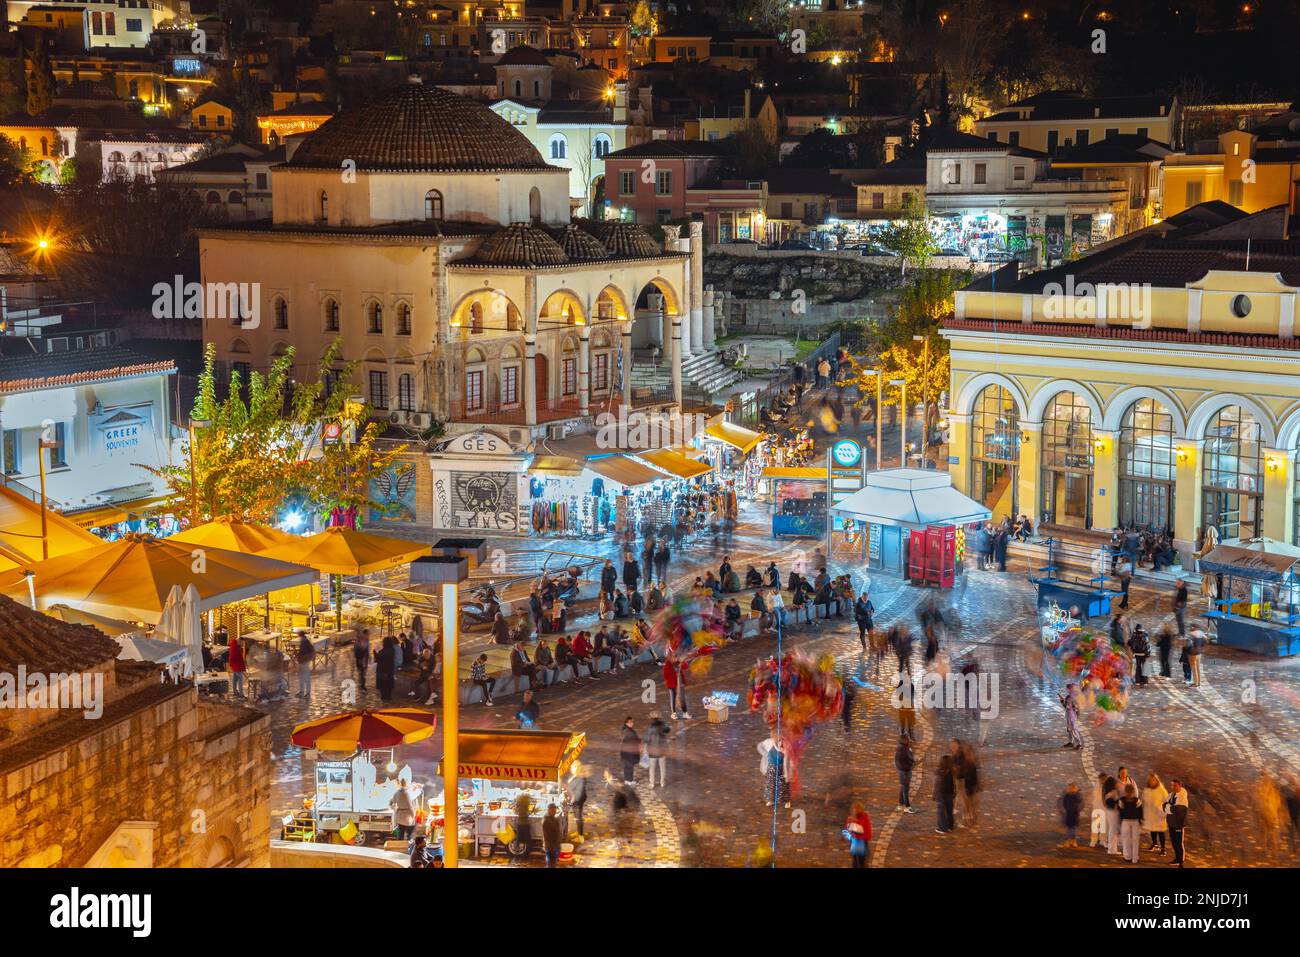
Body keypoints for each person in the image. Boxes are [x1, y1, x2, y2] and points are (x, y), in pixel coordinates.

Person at [759, 737, 792, 808]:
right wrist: (766, 754)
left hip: (782, 769)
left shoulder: (786, 745)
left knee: (783, 785)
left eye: (780, 740)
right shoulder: (769, 742)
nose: (778, 742)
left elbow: (788, 760)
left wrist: (785, 752)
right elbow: (759, 746)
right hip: (771, 768)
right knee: (771, 785)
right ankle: (772, 800)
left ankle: (787, 801)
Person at [1142, 773, 1170, 855]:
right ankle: (1155, 844)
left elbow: (1167, 801)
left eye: (1154, 780)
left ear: (1157, 780)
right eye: (1150, 780)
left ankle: (1163, 848)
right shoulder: (1147, 789)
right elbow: (1144, 799)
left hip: (1159, 814)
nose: (1152, 781)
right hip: (1150, 813)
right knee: (1152, 829)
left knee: (1160, 831)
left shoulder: (1162, 790)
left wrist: (1161, 809)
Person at [1165, 778, 1190, 866]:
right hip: (1171, 822)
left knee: (1179, 842)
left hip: (1178, 824)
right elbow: (1163, 805)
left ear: (1180, 785)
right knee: (1174, 842)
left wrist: (1169, 807)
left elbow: (1177, 809)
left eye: (1175, 785)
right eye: (1172, 785)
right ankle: (1177, 858)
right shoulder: (1171, 795)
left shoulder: (1182, 796)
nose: (1173, 787)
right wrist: (1169, 807)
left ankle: (1181, 861)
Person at [645, 711, 671, 788]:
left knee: (652, 768)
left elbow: (646, 739)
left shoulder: (650, 727)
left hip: (652, 751)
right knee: (662, 768)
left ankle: (652, 783)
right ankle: (662, 782)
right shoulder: (663, 725)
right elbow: (668, 730)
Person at [1119, 782, 1143, 863]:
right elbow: (1140, 812)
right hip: (1135, 821)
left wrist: (1120, 821)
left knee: (1126, 840)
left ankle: (1127, 856)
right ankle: (1134, 858)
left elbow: (1120, 812)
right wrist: (1141, 822)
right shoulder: (1137, 800)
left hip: (1125, 821)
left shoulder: (1122, 800)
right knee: (1135, 840)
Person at [845, 804, 872, 868]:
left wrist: (853, 821)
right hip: (855, 840)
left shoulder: (863, 816)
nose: (854, 811)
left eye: (855, 809)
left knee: (861, 859)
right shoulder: (853, 817)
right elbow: (847, 828)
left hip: (862, 840)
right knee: (855, 859)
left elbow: (860, 828)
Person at [934, 754, 956, 833]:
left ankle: (942, 828)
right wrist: (954, 793)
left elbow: (937, 785)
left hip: (941, 793)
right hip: (949, 793)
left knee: (941, 811)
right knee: (949, 810)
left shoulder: (940, 773)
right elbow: (954, 783)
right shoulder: (951, 772)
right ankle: (950, 826)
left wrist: (934, 795)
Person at [1103, 771, 1122, 855]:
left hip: (1111, 812)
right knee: (1113, 830)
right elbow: (1112, 803)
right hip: (1113, 812)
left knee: (1113, 830)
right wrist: (1117, 804)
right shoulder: (1112, 792)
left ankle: (1113, 849)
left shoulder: (1108, 791)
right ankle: (1111, 850)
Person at [895, 734, 915, 812]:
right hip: (904, 772)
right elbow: (901, 762)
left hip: (904, 771)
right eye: (907, 739)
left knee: (903, 787)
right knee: (905, 789)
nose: (908, 740)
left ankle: (901, 804)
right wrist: (909, 766)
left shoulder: (904, 748)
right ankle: (907, 806)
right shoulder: (902, 749)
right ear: (903, 740)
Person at [1060, 683, 1084, 749]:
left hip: (1072, 715)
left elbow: (1074, 708)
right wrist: (1063, 701)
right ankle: (1071, 742)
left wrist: (1076, 714)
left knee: (1073, 729)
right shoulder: (1068, 697)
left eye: (1069, 689)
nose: (1068, 690)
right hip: (1068, 714)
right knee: (1069, 729)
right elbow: (1066, 706)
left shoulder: (1074, 698)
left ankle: (1079, 743)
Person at [1060, 782, 1083, 848]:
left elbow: (1080, 800)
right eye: (1068, 788)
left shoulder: (1076, 796)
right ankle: (1070, 841)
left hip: (1074, 814)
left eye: (1070, 788)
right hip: (1069, 814)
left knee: (1072, 829)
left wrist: (1076, 792)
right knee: (1070, 829)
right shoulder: (1067, 795)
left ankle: (1071, 841)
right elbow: (1064, 804)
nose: (1068, 789)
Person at [375, 635, 397, 703]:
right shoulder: (392, 650)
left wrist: (375, 653)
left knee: (383, 686)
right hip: (389, 671)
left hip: (382, 671)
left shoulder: (383, 651)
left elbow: (378, 659)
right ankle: (388, 697)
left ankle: (384, 698)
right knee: (388, 686)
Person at [619, 716, 641, 785]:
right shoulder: (629, 732)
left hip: (626, 752)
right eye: (630, 722)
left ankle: (627, 780)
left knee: (627, 766)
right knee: (630, 767)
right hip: (630, 753)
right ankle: (630, 781)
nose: (632, 723)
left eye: (632, 722)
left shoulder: (625, 730)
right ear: (627, 723)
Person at [1090, 772, 1109, 849]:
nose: (1103, 781)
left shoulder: (1107, 786)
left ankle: (1103, 840)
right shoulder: (1097, 785)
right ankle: (1093, 840)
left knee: (1104, 825)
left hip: (1104, 808)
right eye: (1102, 779)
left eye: (1104, 779)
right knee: (1095, 825)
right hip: (1097, 807)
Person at [227, 632, 247, 698]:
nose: (242, 644)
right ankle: (241, 694)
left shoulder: (235, 645)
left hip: (236, 666)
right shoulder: (234, 647)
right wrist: (231, 664)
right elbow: (232, 656)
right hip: (237, 666)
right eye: (241, 642)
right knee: (240, 680)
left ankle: (235, 692)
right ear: (239, 640)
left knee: (235, 679)